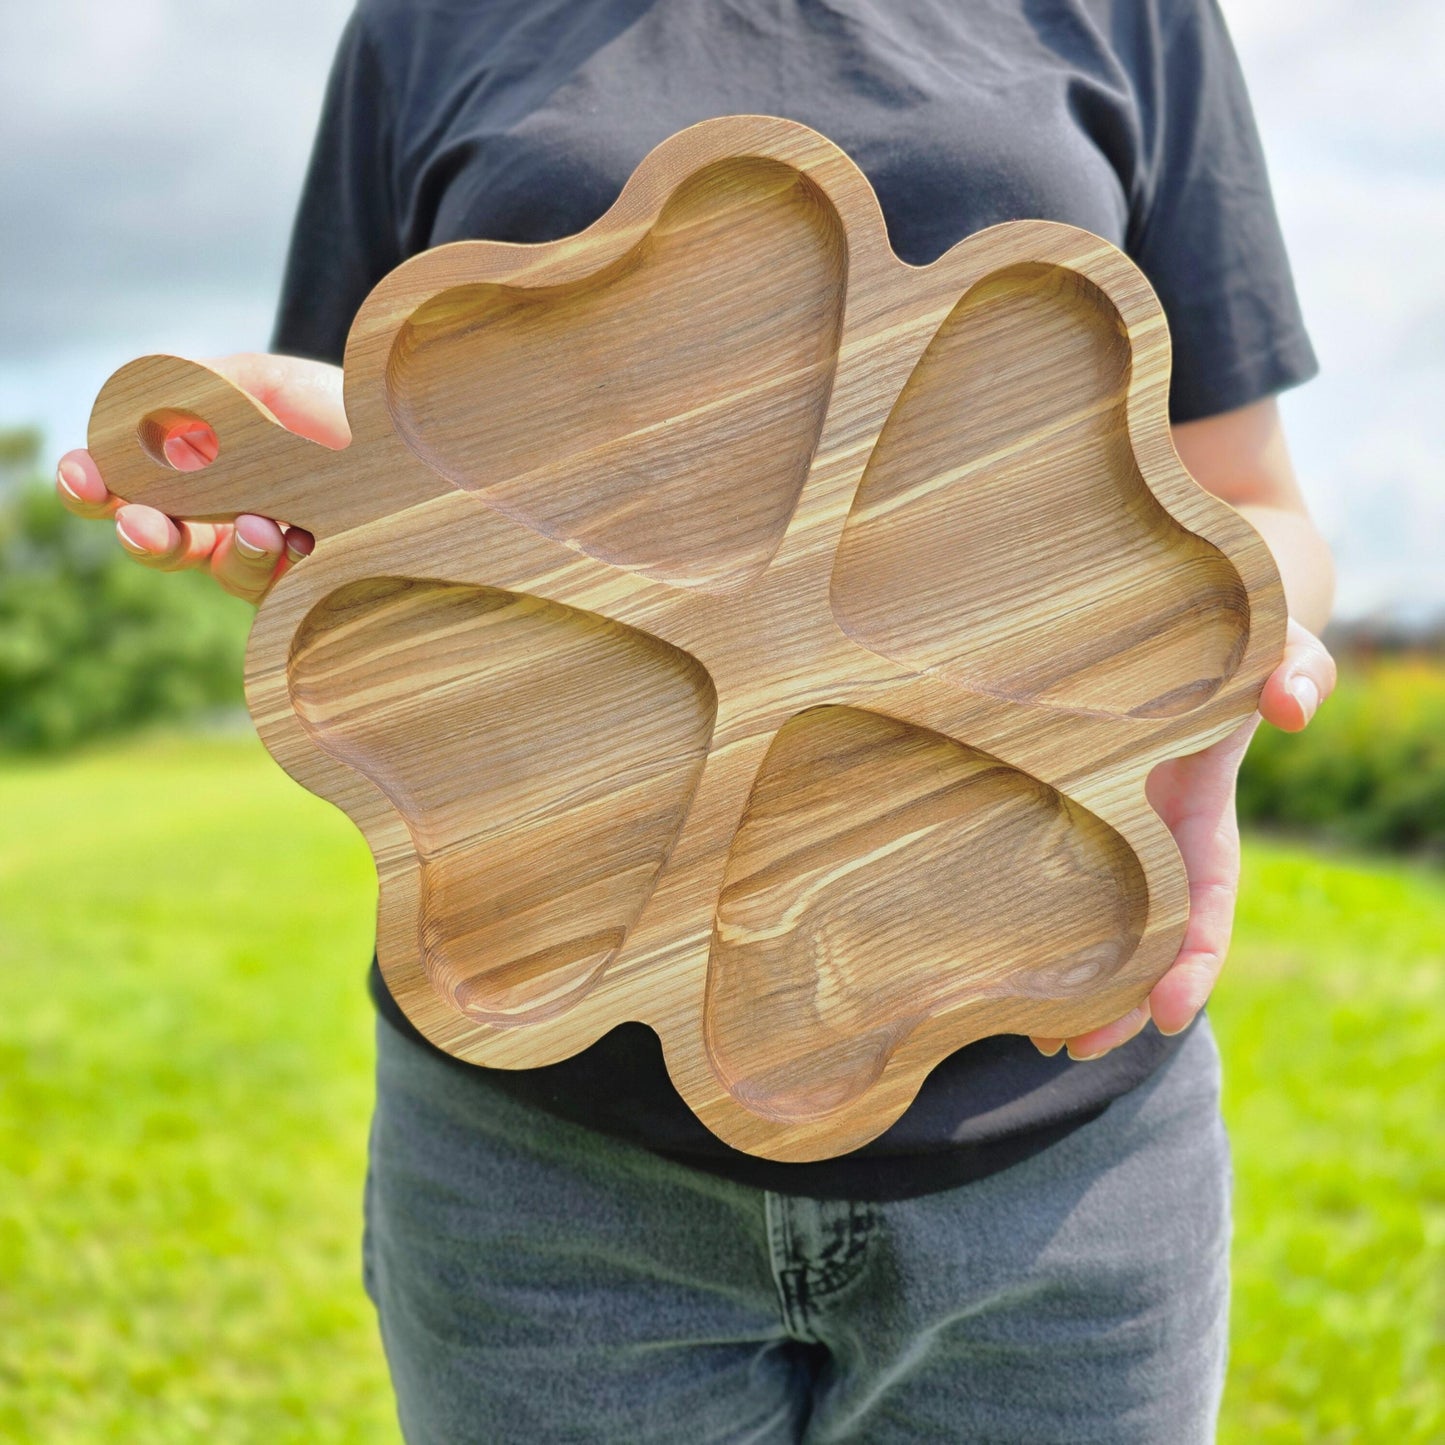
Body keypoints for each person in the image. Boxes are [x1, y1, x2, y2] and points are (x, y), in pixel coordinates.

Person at [56, 1, 1339, 1439]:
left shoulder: (1128, 16)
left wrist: (1237, 642)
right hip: (542, 1155)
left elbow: (1250, 505)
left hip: (1055, 1152)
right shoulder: (423, 25)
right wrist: (282, 497)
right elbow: (380, 530)